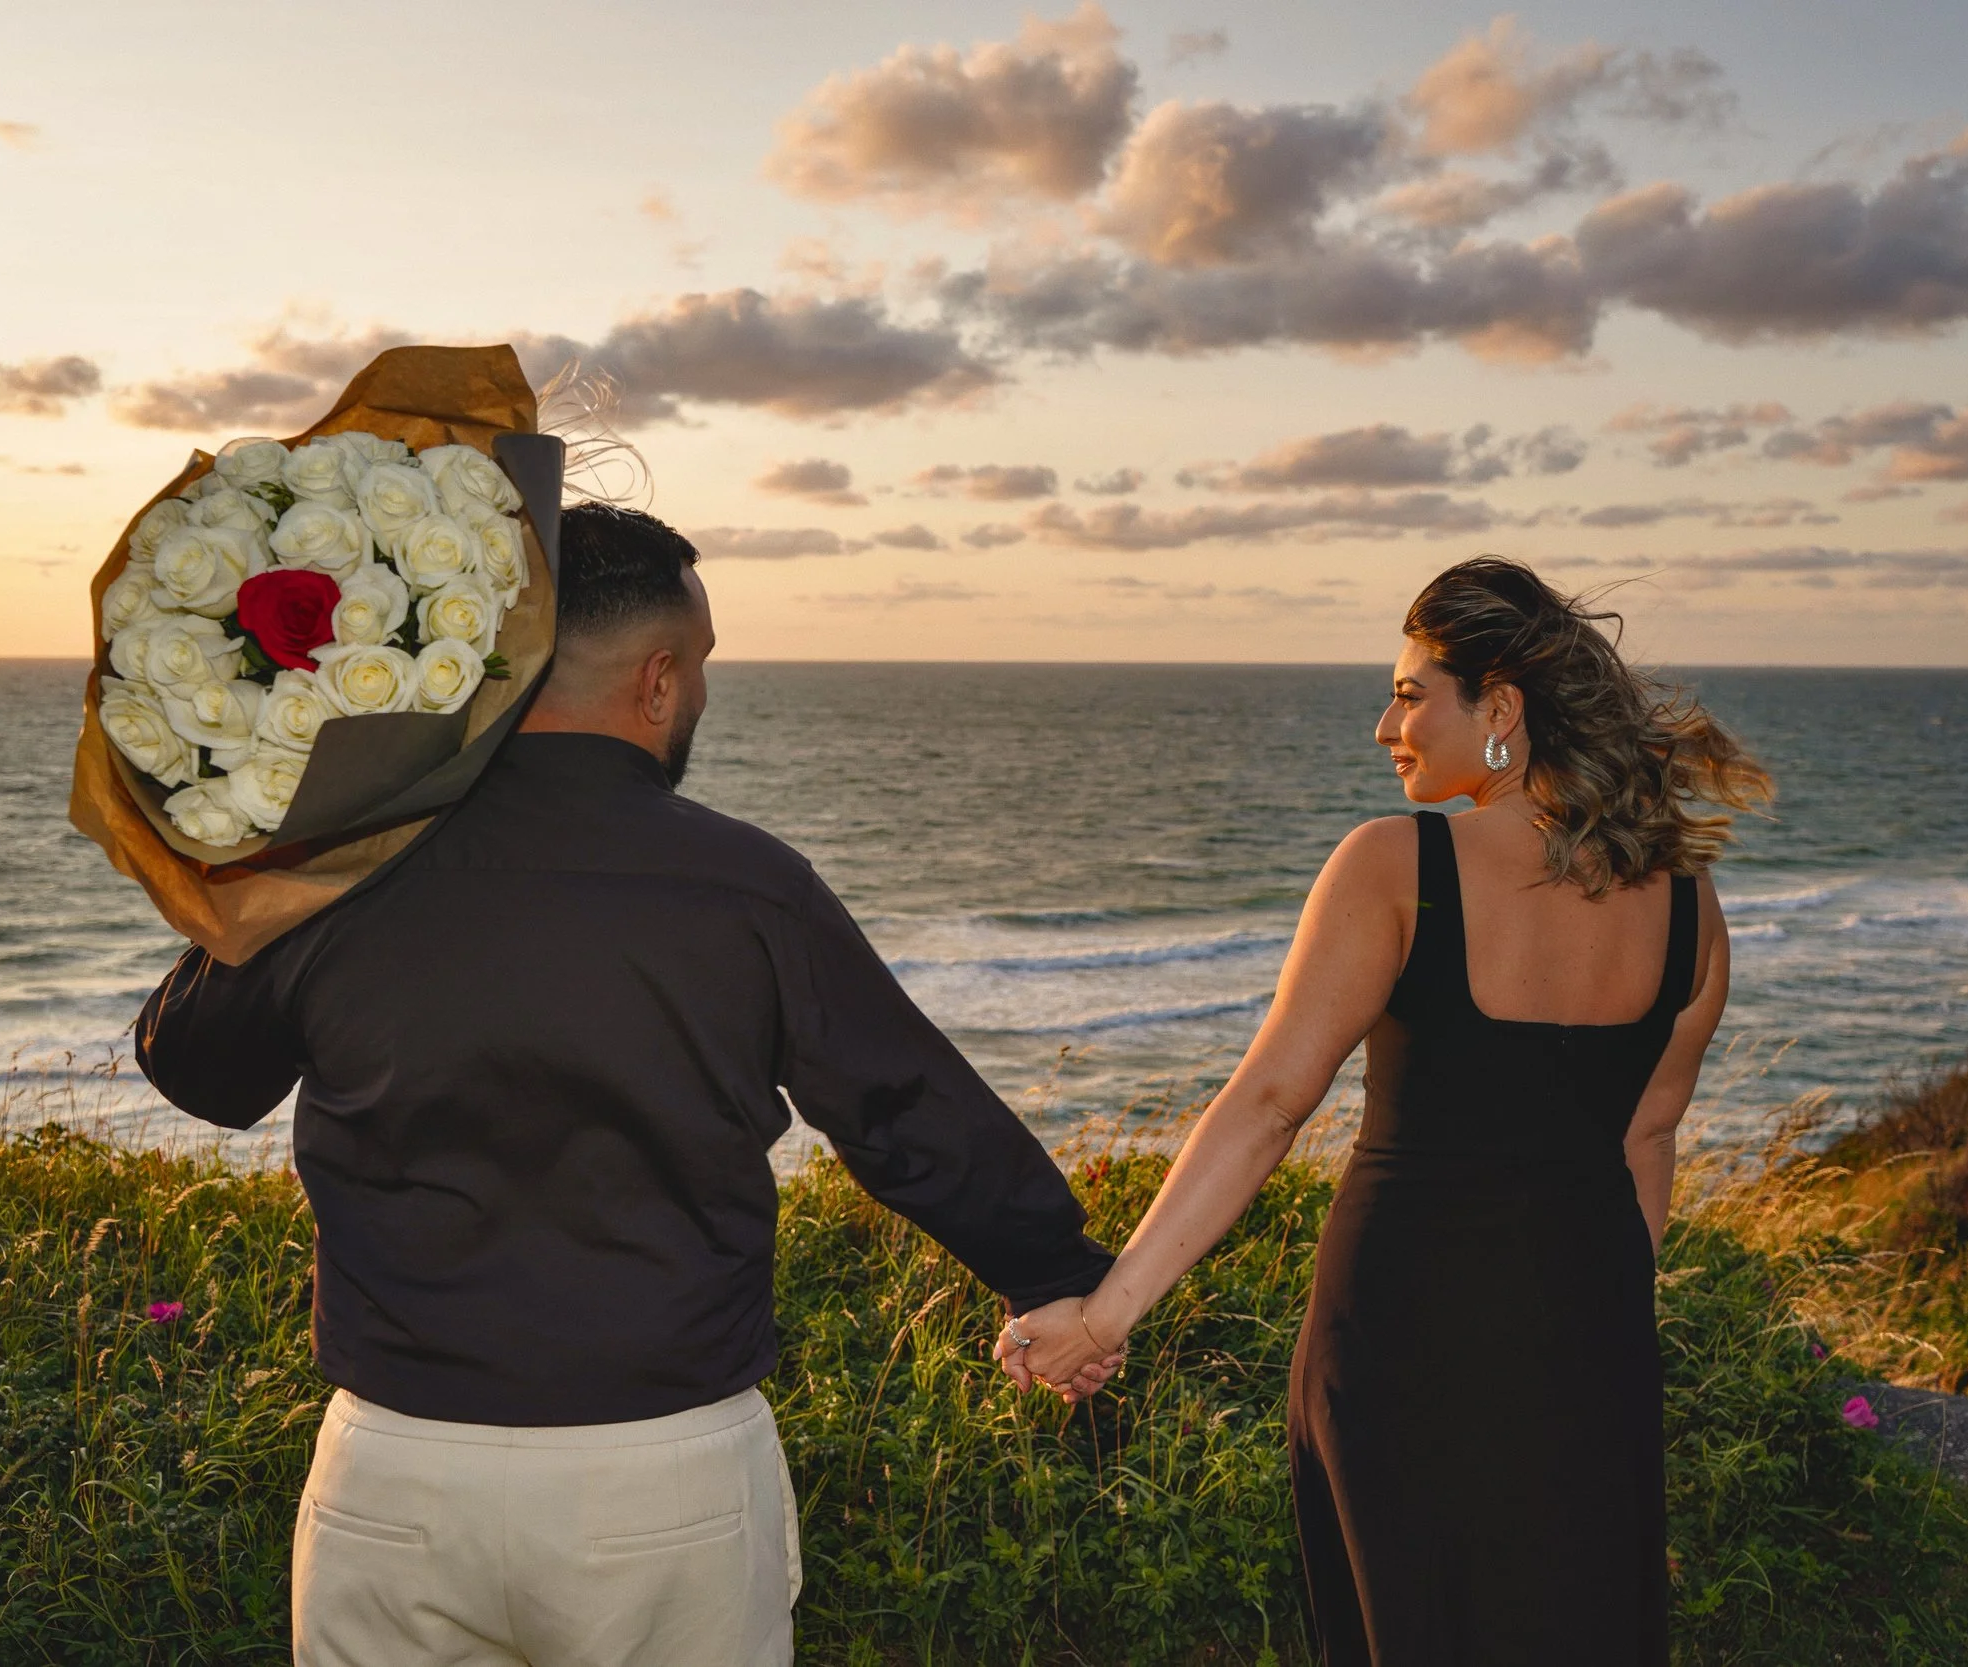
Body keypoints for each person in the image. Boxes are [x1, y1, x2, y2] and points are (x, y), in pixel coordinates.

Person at [137, 503, 1115, 1667]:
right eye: (698, 666)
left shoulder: (348, 864)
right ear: (656, 680)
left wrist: (298, 836)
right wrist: (1058, 1280)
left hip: (397, 1468)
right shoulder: (749, 885)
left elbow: (194, 1066)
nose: (698, 694)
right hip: (665, 1478)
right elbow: (903, 1114)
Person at [999, 557, 1771, 1665]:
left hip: (1400, 1346)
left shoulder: (1392, 864)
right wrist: (1596, 1326)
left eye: (1411, 694)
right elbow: (1646, 1139)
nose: (1383, 726)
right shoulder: (1692, 907)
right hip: (1590, 1348)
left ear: (1499, 708)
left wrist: (1105, 1314)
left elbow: (1268, 1102)